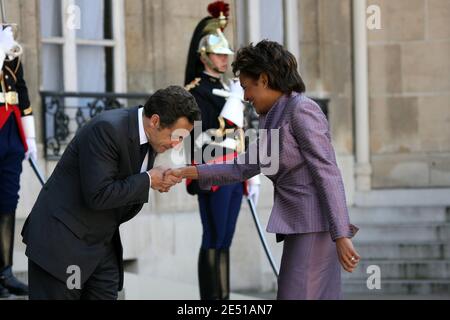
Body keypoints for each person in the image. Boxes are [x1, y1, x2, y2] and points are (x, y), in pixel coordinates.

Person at [169, 40, 360, 300]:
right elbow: (243, 166)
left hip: (315, 228)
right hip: (301, 227)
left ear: (265, 79)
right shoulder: (274, 115)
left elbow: (328, 173)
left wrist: (341, 234)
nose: (245, 97)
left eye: (247, 87)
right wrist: (187, 172)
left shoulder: (302, 110)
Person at [21, 86, 201, 300]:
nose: (176, 144)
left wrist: (152, 180)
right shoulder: (107, 128)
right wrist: (149, 179)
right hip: (63, 244)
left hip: (100, 245)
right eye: (176, 136)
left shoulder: (152, 138)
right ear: (154, 121)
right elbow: (98, 195)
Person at [184, 1, 259, 300]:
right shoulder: (195, 91)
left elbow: (241, 133)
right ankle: (210, 301)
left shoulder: (231, 89)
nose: (225, 59)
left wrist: (251, 173)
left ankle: (223, 300)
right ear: (204, 56)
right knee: (213, 237)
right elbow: (206, 135)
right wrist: (234, 102)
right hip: (213, 170)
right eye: (219, 54)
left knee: (226, 238)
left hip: (236, 170)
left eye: (227, 54)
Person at [0, 25, 36, 297]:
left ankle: (5, 271)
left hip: (11, 129)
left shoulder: (7, 40)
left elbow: (20, 89)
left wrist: (31, 136)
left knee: (7, 201)